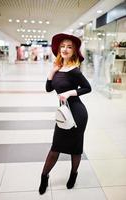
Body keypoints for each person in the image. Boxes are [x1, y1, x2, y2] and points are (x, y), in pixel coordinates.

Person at [39, 33, 91, 195]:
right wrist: (52, 72)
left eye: (69, 47)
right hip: (64, 113)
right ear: (58, 49)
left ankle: (73, 175)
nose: (65, 49)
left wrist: (70, 93)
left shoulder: (75, 70)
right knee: (55, 148)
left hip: (77, 113)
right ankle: (44, 177)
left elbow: (87, 88)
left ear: (74, 51)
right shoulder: (58, 68)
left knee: (76, 149)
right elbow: (48, 88)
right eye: (63, 46)